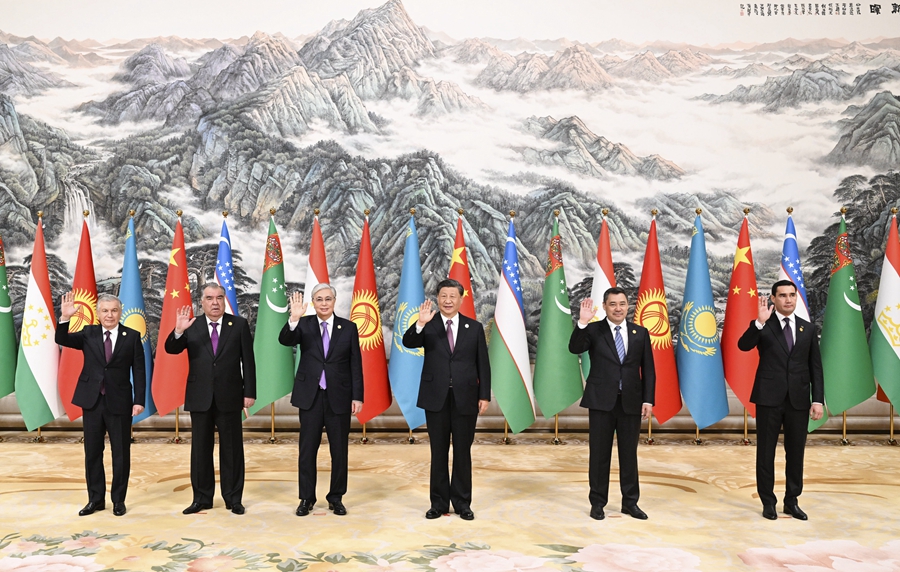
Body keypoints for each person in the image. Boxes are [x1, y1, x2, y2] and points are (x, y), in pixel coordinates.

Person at [403, 278, 490, 521]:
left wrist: (484, 395)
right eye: (443, 296)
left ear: (461, 299)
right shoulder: (428, 325)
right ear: (437, 299)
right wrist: (420, 323)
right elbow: (408, 342)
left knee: (463, 452)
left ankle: (462, 503)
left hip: (466, 398)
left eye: (453, 296)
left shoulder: (474, 327)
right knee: (438, 451)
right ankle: (438, 503)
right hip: (436, 397)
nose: (448, 300)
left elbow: (483, 364)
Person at [165, 283, 256, 515]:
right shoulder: (191, 325)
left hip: (231, 396)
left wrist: (249, 392)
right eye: (209, 298)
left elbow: (248, 361)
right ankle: (201, 498)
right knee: (200, 450)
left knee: (232, 450)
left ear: (225, 300)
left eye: (219, 298)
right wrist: (178, 331)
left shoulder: (239, 325)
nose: (215, 302)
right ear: (201, 301)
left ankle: (233, 498)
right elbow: (171, 349)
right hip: (200, 396)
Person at [738, 279, 824, 521]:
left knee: (796, 453)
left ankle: (792, 501)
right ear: (773, 299)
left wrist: (817, 399)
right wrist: (758, 323)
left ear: (796, 297)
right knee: (766, 453)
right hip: (769, 398)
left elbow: (815, 367)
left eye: (792, 295)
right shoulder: (764, 324)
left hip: (798, 400)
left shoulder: (807, 329)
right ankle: (768, 502)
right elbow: (743, 345)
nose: (788, 299)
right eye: (783, 295)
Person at [568, 287, 655, 521]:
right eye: (613, 304)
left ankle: (630, 503)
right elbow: (575, 348)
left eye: (622, 304)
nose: (618, 308)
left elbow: (648, 369)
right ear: (605, 306)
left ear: (628, 306)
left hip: (631, 403)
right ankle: (597, 503)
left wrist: (648, 399)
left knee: (629, 455)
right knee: (599, 455)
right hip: (601, 402)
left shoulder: (640, 333)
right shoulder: (594, 330)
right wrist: (582, 323)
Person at [56, 292, 145, 517]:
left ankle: (118, 500)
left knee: (121, 453)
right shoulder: (89, 333)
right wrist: (65, 319)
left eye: (114, 310)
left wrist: (139, 400)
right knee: (93, 452)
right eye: (105, 311)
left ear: (120, 312)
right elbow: (62, 339)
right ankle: (95, 500)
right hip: (92, 401)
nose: (109, 315)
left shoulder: (132, 336)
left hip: (120, 402)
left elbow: (139, 371)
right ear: (98, 313)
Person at [279, 284, 364, 517]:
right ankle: (306, 498)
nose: (324, 303)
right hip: (311, 397)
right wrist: (293, 319)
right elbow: (285, 340)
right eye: (319, 299)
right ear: (313, 302)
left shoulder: (348, 328)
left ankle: (336, 498)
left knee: (339, 451)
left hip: (340, 397)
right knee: (307, 450)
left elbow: (355, 363)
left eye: (328, 299)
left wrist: (357, 396)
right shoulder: (303, 324)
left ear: (335, 301)